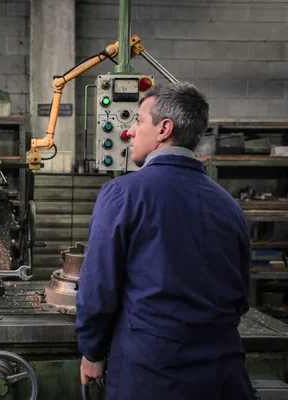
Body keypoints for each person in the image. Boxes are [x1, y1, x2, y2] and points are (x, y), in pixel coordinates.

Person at [75, 82, 255, 400]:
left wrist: (92, 351)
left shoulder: (122, 194)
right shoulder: (229, 204)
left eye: (139, 121)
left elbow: (97, 291)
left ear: (164, 129)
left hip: (150, 374)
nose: (130, 132)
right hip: (222, 375)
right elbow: (241, 296)